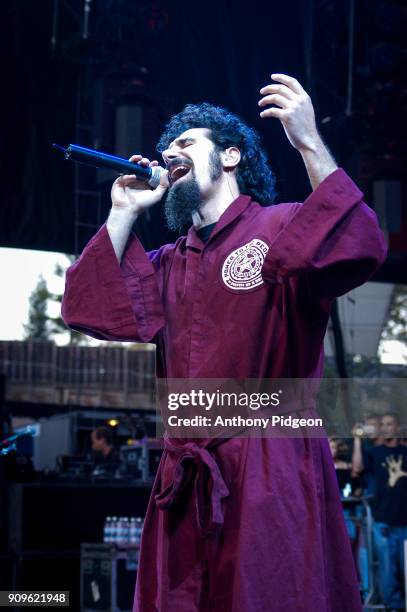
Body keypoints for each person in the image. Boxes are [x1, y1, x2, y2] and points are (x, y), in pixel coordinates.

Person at [62, 73, 387, 611]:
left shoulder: (280, 227)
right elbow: (87, 309)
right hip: (186, 472)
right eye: (167, 148)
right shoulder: (168, 263)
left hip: (269, 462)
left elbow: (360, 242)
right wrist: (122, 212)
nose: (170, 154)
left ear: (230, 157)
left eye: (186, 142)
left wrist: (308, 140)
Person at [353, 413, 407, 611]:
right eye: (382, 425)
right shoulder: (375, 453)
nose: (385, 428)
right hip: (383, 519)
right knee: (387, 568)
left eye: (389, 424)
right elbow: (357, 468)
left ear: (397, 427)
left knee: (405, 568)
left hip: (405, 519)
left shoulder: (405, 451)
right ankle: (392, 606)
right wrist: (358, 439)